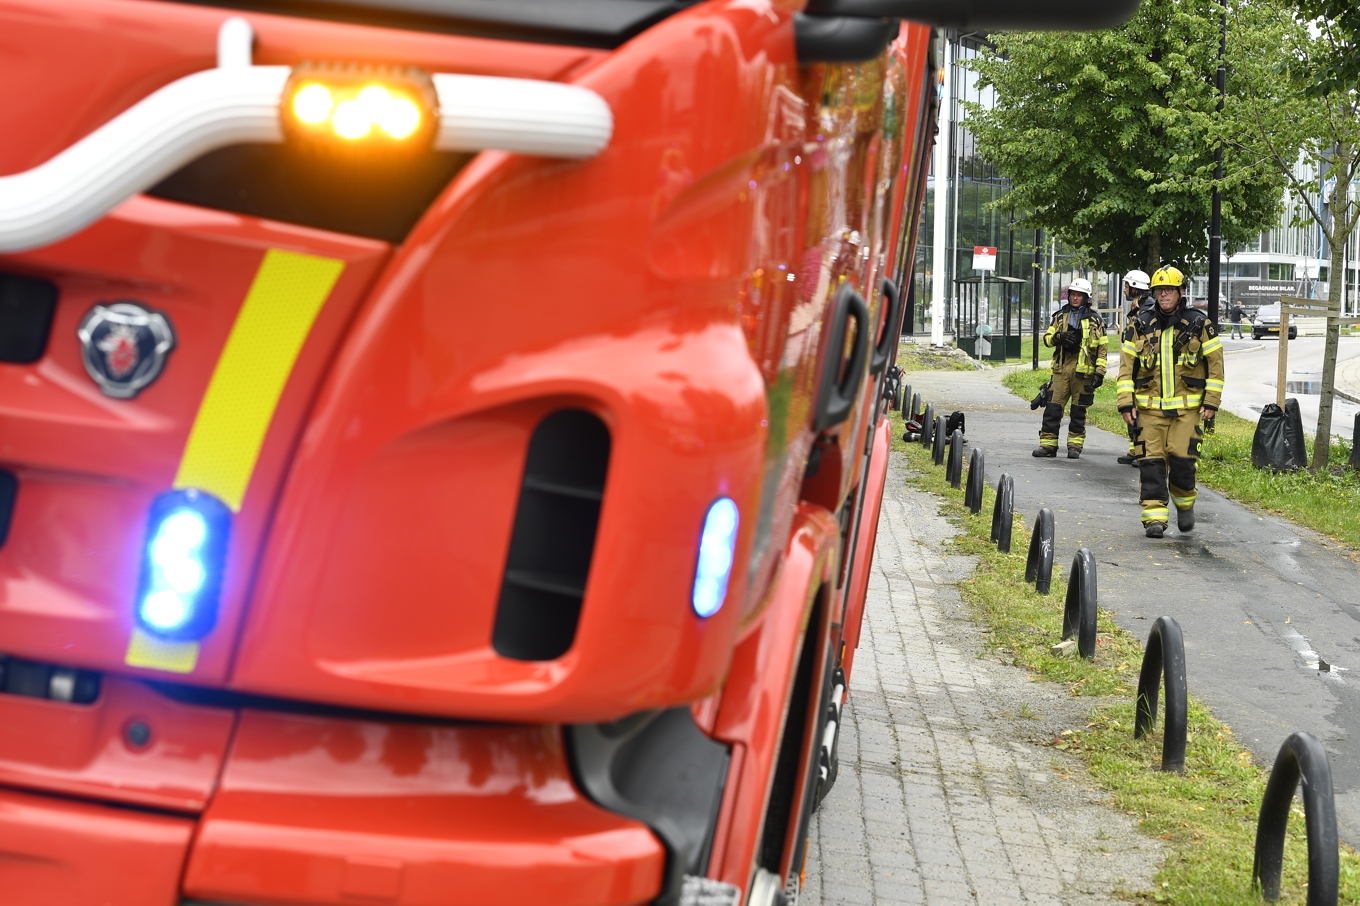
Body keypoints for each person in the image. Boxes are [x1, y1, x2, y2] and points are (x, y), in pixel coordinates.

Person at [1116, 266, 1225, 538]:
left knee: (1183, 462)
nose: (1164, 295)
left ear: (1181, 292)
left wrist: (1211, 401)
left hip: (1187, 411)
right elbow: (1126, 367)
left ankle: (1185, 502)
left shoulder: (1200, 324)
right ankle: (1154, 518)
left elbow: (1216, 365)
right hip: (1149, 410)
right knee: (1150, 464)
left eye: (1169, 290)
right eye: (1159, 290)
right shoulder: (1139, 324)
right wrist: (1125, 402)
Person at [1034, 278, 1106, 459]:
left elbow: (1102, 349)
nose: (1075, 298)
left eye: (1079, 295)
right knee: (1052, 407)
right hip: (1061, 369)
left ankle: (1075, 446)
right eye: (1073, 294)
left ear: (1086, 297)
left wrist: (1100, 372)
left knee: (1078, 411)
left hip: (1084, 373)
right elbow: (1047, 339)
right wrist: (1059, 336)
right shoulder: (1060, 316)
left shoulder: (1095, 320)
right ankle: (1047, 445)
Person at [1117, 270, 1153, 465]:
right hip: (1135, 367)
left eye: (1126, 286)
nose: (1124, 290)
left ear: (1134, 287)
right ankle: (1135, 449)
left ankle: (1142, 453)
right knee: (1132, 410)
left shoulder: (1147, 311)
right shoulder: (1137, 309)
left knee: (1141, 413)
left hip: (1144, 370)